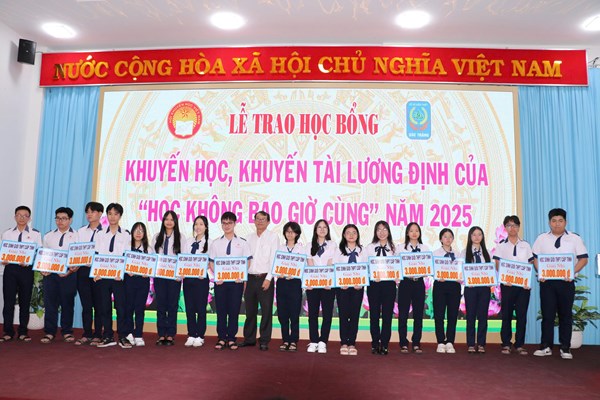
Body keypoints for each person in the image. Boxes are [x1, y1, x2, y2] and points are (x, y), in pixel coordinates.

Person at [532, 208, 588, 360]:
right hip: (547, 283)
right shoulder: (541, 238)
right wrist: (540, 271)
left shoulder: (575, 238)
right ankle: (546, 346)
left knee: (565, 315)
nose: (557, 224)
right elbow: (535, 258)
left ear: (565, 222)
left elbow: (584, 259)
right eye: (554, 221)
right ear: (549, 222)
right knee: (547, 315)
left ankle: (565, 347)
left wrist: (572, 272)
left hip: (566, 282)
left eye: (560, 221)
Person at [208, 211, 252, 350]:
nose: (227, 226)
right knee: (221, 311)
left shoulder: (243, 243)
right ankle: (221, 338)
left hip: (236, 282)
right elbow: (211, 262)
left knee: (234, 310)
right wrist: (217, 275)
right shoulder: (216, 243)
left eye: (229, 223)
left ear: (235, 224)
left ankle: (232, 338)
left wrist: (242, 275)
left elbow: (248, 261)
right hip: (220, 282)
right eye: (224, 223)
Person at [1, 206, 42, 343]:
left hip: (26, 270)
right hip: (10, 270)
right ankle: (8, 331)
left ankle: (23, 332)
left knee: (25, 301)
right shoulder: (7, 233)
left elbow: (39, 252)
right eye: (19, 215)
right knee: (8, 302)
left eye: (25, 215)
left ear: (29, 218)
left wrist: (30, 261)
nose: (22, 218)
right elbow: (3, 251)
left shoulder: (35, 234)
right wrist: (3, 260)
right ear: (15, 217)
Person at [493, 216, 534, 356]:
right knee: (507, 315)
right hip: (508, 285)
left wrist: (526, 281)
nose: (512, 228)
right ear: (505, 227)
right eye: (509, 225)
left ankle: (519, 344)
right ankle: (506, 343)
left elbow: (530, 264)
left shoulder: (526, 245)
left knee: (522, 315)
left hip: (523, 287)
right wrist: (504, 278)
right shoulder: (501, 245)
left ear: (519, 227)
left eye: (515, 225)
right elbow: (498, 264)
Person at [40, 207, 79, 344]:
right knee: (50, 304)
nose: (60, 221)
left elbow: (80, 256)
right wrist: (43, 269)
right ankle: (49, 332)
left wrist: (72, 270)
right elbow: (44, 255)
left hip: (69, 274)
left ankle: (67, 331)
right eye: (57, 218)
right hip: (51, 275)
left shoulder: (77, 236)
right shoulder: (48, 236)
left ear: (70, 220)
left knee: (68, 304)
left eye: (64, 218)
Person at [94, 203, 131, 349]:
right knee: (104, 307)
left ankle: (122, 336)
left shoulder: (126, 234)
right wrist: (96, 272)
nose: (112, 217)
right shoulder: (100, 234)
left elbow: (127, 255)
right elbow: (96, 254)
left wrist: (121, 273)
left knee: (121, 307)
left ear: (120, 216)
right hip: (103, 276)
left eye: (116, 214)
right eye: (110, 213)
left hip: (118, 277)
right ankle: (108, 336)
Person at [240, 211, 278, 351]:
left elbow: (274, 259)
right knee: (250, 311)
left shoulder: (273, 237)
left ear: (268, 222)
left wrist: (268, 278)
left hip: (265, 278)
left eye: (263, 219)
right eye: (257, 219)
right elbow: (244, 259)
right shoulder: (248, 238)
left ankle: (264, 340)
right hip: (250, 278)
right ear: (254, 220)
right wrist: (244, 278)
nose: (260, 221)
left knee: (266, 311)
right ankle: (249, 339)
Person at [152, 210, 185, 346]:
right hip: (159, 276)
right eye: (167, 219)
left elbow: (183, 258)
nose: (169, 222)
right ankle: (161, 334)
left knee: (172, 305)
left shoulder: (181, 237)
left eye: (172, 219)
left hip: (174, 278)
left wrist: (180, 275)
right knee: (161, 305)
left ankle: (170, 334)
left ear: (175, 222)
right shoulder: (157, 237)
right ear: (163, 221)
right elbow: (152, 256)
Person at [334, 224, 367, 356]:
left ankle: (352, 342)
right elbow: (335, 267)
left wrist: (361, 282)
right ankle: (344, 342)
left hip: (357, 288)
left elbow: (367, 267)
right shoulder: (339, 250)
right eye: (348, 232)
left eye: (354, 232)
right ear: (344, 235)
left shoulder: (363, 250)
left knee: (354, 315)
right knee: (343, 315)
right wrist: (340, 282)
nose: (351, 235)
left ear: (357, 235)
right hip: (342, 288)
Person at [364, 220, 397, 355]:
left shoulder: (395, 248)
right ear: (375, 232)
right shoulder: (369, 248)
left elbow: (398, 267)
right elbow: (365, 266)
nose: (381, 232)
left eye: (384, 229)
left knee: (387, 316)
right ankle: (375, 343)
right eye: (379, 229)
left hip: (389, 285)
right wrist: (371, 275)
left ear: (388, 231)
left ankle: (384, 344)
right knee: (374, 315)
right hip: (374, 285)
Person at [397, 222, 429, 354]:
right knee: (403, 315)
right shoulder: (400, 248)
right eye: (411, 231)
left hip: (419, 283)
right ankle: (403, 343)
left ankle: (416, 342)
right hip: (405, 283)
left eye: (416, 230)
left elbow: (428, 267)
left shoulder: (425, 248)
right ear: (407, 233)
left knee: (418, 315)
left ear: (420, 233)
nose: (414, 233)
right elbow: (396, 265)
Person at [305, 219, 336, 354]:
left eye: (325, 227)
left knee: (327, 314)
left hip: (327, 285)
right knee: (312, 314)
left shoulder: (332, 245)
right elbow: (310, 263)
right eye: (319, 227)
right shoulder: (309, 245)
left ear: (328, 230)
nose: (322, 230)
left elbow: (330, 263)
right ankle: (313, 341)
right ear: (315, 230)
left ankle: (323, 341)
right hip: (313, 285)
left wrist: (326, 281)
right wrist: (313, 281)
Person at [76, 201, 104, 346]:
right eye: (87, 212)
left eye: (92, 211)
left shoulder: (106, 231)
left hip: (99, 271)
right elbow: (76, 251)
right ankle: (87, 333)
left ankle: (98, 334)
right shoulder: (80, 232)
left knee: (99, 305)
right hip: (83, 271)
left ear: (100, 214)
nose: (89, 214)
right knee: (86, 305)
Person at [460, 226, 491, 354]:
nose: (477, 237)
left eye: (479, 234)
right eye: (474, 234)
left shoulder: (487, 252)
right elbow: (460, 270)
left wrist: (491, 281)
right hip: (470, 289)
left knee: (483, 316)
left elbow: (492, 271)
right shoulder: (464, 252)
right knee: (471, 316)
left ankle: (481, 343)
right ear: (470, 237)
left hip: (484, 289)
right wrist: (466, 281)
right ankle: (471, 344)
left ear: (482, 236)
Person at [276, 221, 306, 353]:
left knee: (294, 314)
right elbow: (275, 266)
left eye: (293, 231)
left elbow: (304, 267)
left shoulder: (301, 249)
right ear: (284, 233)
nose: (290, 234)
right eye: (288, 231)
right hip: (282, 283)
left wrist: (295, 274)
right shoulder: (280, 248)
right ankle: (285, 340)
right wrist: (279, 273)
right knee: (282, 314)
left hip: (295, 284)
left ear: (297, 234)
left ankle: (293, 340)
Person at [182, 215, 211, 348]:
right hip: (188, 279)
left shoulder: (210, 243)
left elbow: (211, 262)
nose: (198, 227)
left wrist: (204, 271)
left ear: (206, 227)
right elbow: (183, 259)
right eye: (196, 224)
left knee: (200, 308)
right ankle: (191, 334)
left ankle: (200, 335)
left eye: (201, 224)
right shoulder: (188, 241)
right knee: (189, 308)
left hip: (201, 279)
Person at [432, 228, 461, 354]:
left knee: (452, 315)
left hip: (454, 286)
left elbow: (462, 270)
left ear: (453, 239)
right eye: (445, 236)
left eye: (450, 237)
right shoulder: (435, 253)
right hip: (440, 285)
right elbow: (431, 269)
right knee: (439, 315)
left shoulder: (458, 254)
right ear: (440, 239)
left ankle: (450, 341)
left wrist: (460, 277)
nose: (448, 239)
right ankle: (440, 341)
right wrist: (437, 275)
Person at [124, 222, 152, 347]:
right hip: (129, 280)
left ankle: (139, 334)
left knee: (140, 308)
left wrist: (148, 272)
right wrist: (127, 270)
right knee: (129, 307)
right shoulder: (126, 246)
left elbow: (152, 265)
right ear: (132, 232)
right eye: (136, 230)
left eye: (141, 230)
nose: (138, 233)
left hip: (143, 281)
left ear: (144, 233)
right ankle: (129, 333)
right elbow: (122, 262)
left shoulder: (148, 249)